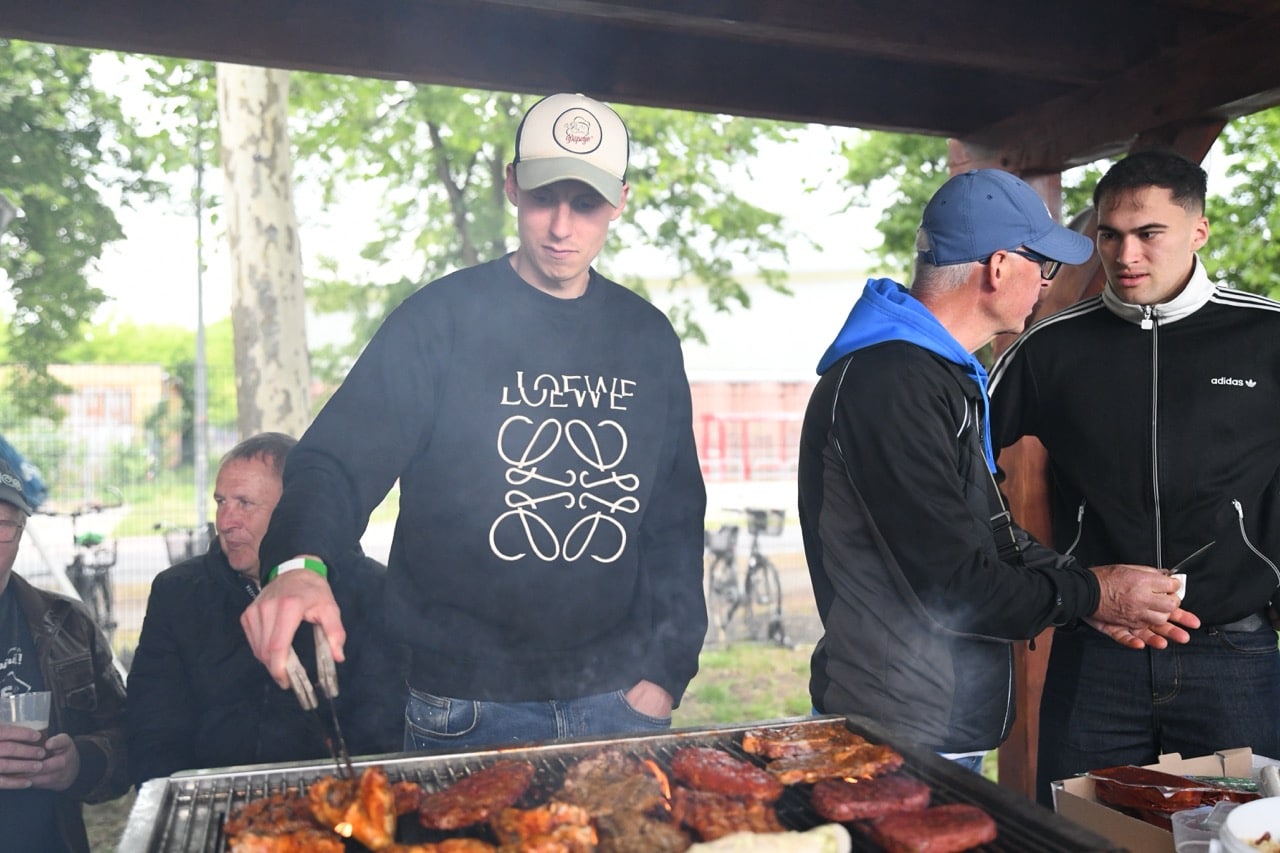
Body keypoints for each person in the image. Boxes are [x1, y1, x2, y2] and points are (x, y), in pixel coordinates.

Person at [240, 93, 707, 753]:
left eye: (587, 204)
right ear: (512, 184)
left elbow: (676, 516)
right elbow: (335, 461)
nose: (562, 227)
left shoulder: (647, 338)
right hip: (465, 706)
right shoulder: (439, 321)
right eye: (546, 196)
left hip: (621, 700)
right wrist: (297, 561)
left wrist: (667, 668)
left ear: (620, 201)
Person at [797, 168, 1198, 773]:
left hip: (936, 718)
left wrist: (1098, 596)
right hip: (898, 730)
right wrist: (1094, 592)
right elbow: (954, 584)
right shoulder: (890, 384)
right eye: (1045, 265)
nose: (1046, 283)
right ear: (1000, 266)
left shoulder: (940, 375)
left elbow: (993, 535)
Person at [988, 149, 1280, 804]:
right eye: (1110, 235)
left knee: (1238, 841)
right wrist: (1046, 574)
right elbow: (955, 460)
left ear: (1199, 230)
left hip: (1233, 657)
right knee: (1074, 836)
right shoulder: (1050, 345)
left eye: (1149, 233)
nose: (1126, 255)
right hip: (1096, 656)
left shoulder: (1267, 336)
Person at [126, 433, 406, 785]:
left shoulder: (371, 591)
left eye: (245, 503)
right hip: (212, 802)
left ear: (294, 511)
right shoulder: (178, 592)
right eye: (221, 501)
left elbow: (390, 730)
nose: (226, 521)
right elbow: (152, 727)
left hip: (331, 801)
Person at [0, 458, 128, 852]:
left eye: (2, 525)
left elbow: (128, 736)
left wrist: (82, 762)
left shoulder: (66, 624)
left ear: (21, 533)